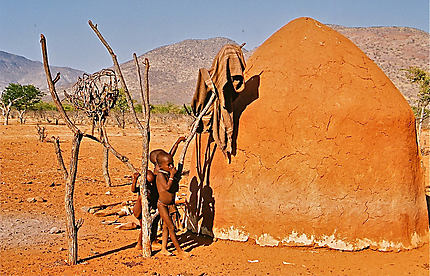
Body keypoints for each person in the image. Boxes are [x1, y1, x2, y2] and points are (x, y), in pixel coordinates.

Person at [156, 151, 190, 257]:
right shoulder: (160, 175)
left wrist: (174, 177)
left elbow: (174, 188)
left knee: (166, 227)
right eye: (168, 165)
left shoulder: (167, 174)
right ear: (161, 166)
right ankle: (179, 251)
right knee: (171, 227)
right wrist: (172, 175)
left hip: (170, 205)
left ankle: (164, 249)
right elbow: (167, 187)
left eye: (172, 163)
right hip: (162, 205)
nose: (171, 166)